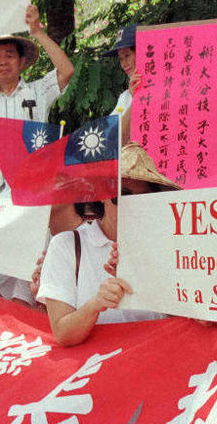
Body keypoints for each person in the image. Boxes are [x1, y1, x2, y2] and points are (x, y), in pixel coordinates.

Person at [37, 143, 176, 346]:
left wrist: (148, 278)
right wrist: (97, 304)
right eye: (123, 195)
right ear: (102, 195)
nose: (132, 206)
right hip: (98, 371)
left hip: (155, 363)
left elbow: (180, 316)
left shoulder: (168, 246)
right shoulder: (66, 245)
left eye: (144, 198)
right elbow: (62, 332)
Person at [0, 3, 75, 196]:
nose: (3, 61)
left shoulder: (38, 91)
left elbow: (67, 71)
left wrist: (37, 32)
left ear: (21, 62)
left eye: (10, 55)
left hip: (33, 192)